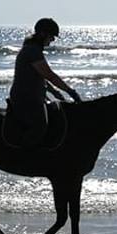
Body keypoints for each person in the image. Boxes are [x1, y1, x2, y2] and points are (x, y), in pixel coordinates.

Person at [6, 18, 81, 146]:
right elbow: (50, 75)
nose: (52, 40)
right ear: (42, 34)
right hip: (26, 98)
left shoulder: (34, 49)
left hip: (35, 96)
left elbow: (41, 77)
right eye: (51, 36)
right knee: (40, 126)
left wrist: (54, 91)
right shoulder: (32, 51)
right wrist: (70, 91)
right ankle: (24, 154)